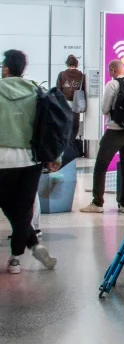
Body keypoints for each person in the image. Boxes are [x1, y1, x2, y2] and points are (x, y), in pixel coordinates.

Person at [1, 49, 57, 274]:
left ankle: (29, 249)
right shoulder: (37, 91)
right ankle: (20, 255)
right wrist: (54, 157)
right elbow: (50, 126)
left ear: (6, 68)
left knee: (10, 207)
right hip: (31, 160)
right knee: (23, 208)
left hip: (2, 159)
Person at [81, 58, 124, 215]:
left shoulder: (112, 84)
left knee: (101, 164)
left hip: (115, 131)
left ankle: (97, 203)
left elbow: (105, 109)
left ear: (112, 70)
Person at [56, 54, 86, 142]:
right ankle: (71, 143)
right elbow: (83, 89)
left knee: (65, 123)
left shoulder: (62, 75)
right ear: (77, 64)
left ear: (67, 64)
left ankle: (64, 143)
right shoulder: (81, 75)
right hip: (76, 102)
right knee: (75, 124)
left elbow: (58, 90)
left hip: (64, 102)